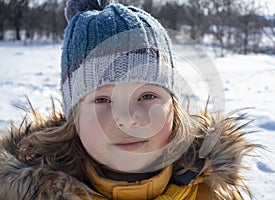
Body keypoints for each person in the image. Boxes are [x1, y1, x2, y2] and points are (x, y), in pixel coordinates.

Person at [0, 0, 260, 199]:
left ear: (174, 106)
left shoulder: (214, 190)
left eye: (147, 96)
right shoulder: (25, 192)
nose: (127, 119)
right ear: (74, 117)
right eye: (102, 99)